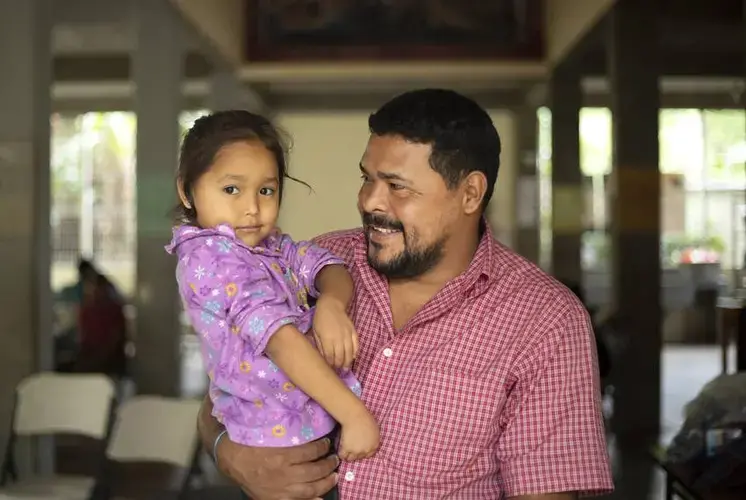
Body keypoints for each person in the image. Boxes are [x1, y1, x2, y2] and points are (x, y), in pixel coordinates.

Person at [198, 89, 614, 499]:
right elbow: (224, 393)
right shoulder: (319, 266)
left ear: (470, 193)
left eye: (397, 186)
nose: (369, 201)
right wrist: (229, 453)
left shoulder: (545, 320)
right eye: (367, 178)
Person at [166, 111, 380, 493]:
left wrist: (331, 303)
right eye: (231, 190)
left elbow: (327, 265)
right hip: (275, 438)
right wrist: (355, 415)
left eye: (266, 190)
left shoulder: (269, 247)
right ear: (187, 191)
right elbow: (280, 340)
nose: (251, 208)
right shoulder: (211, 259)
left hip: (302, 422)